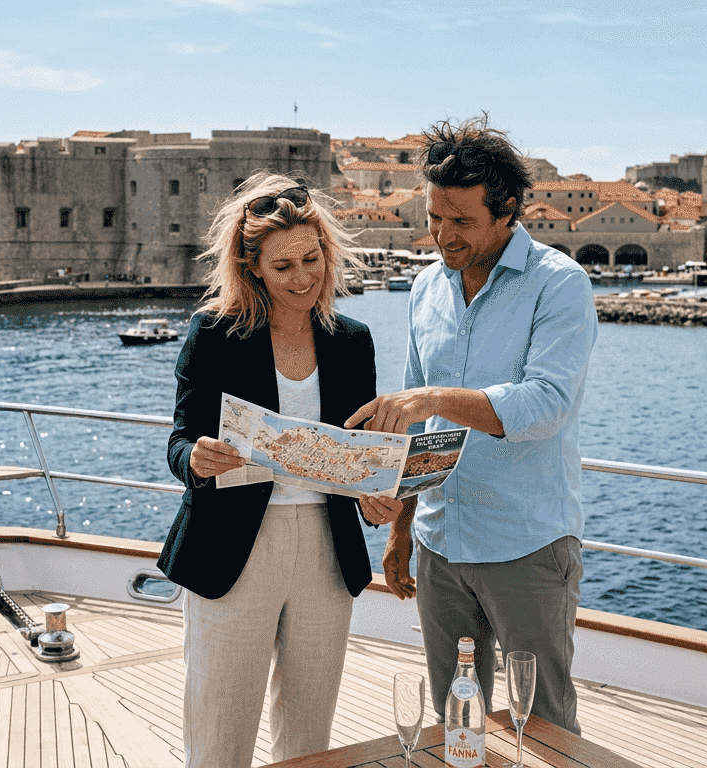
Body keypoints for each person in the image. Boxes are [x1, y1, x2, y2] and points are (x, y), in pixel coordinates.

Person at [346, 115, 598, 734]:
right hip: (438, 545)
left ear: (508, 209)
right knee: (456, 721)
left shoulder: (561, 284)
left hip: (528, 547)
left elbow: (545, 405)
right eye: (434, 217)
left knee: (542, 729)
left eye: (461, 221)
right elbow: (418, 428)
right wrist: (401, 528)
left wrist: (430, 397)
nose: (441, 236)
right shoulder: (426, 287)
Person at [160, 172, 403, 767]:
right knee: (219, 732)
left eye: (311, 259)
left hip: (327, 547)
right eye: (283, 266)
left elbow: (354, 451)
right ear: (253, 270)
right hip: (231, 547)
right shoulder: (214, 332)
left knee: (309, 735)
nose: (302, 278)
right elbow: (179, 439)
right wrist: (194, 459)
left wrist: (376, 498)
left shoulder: (353, 340)